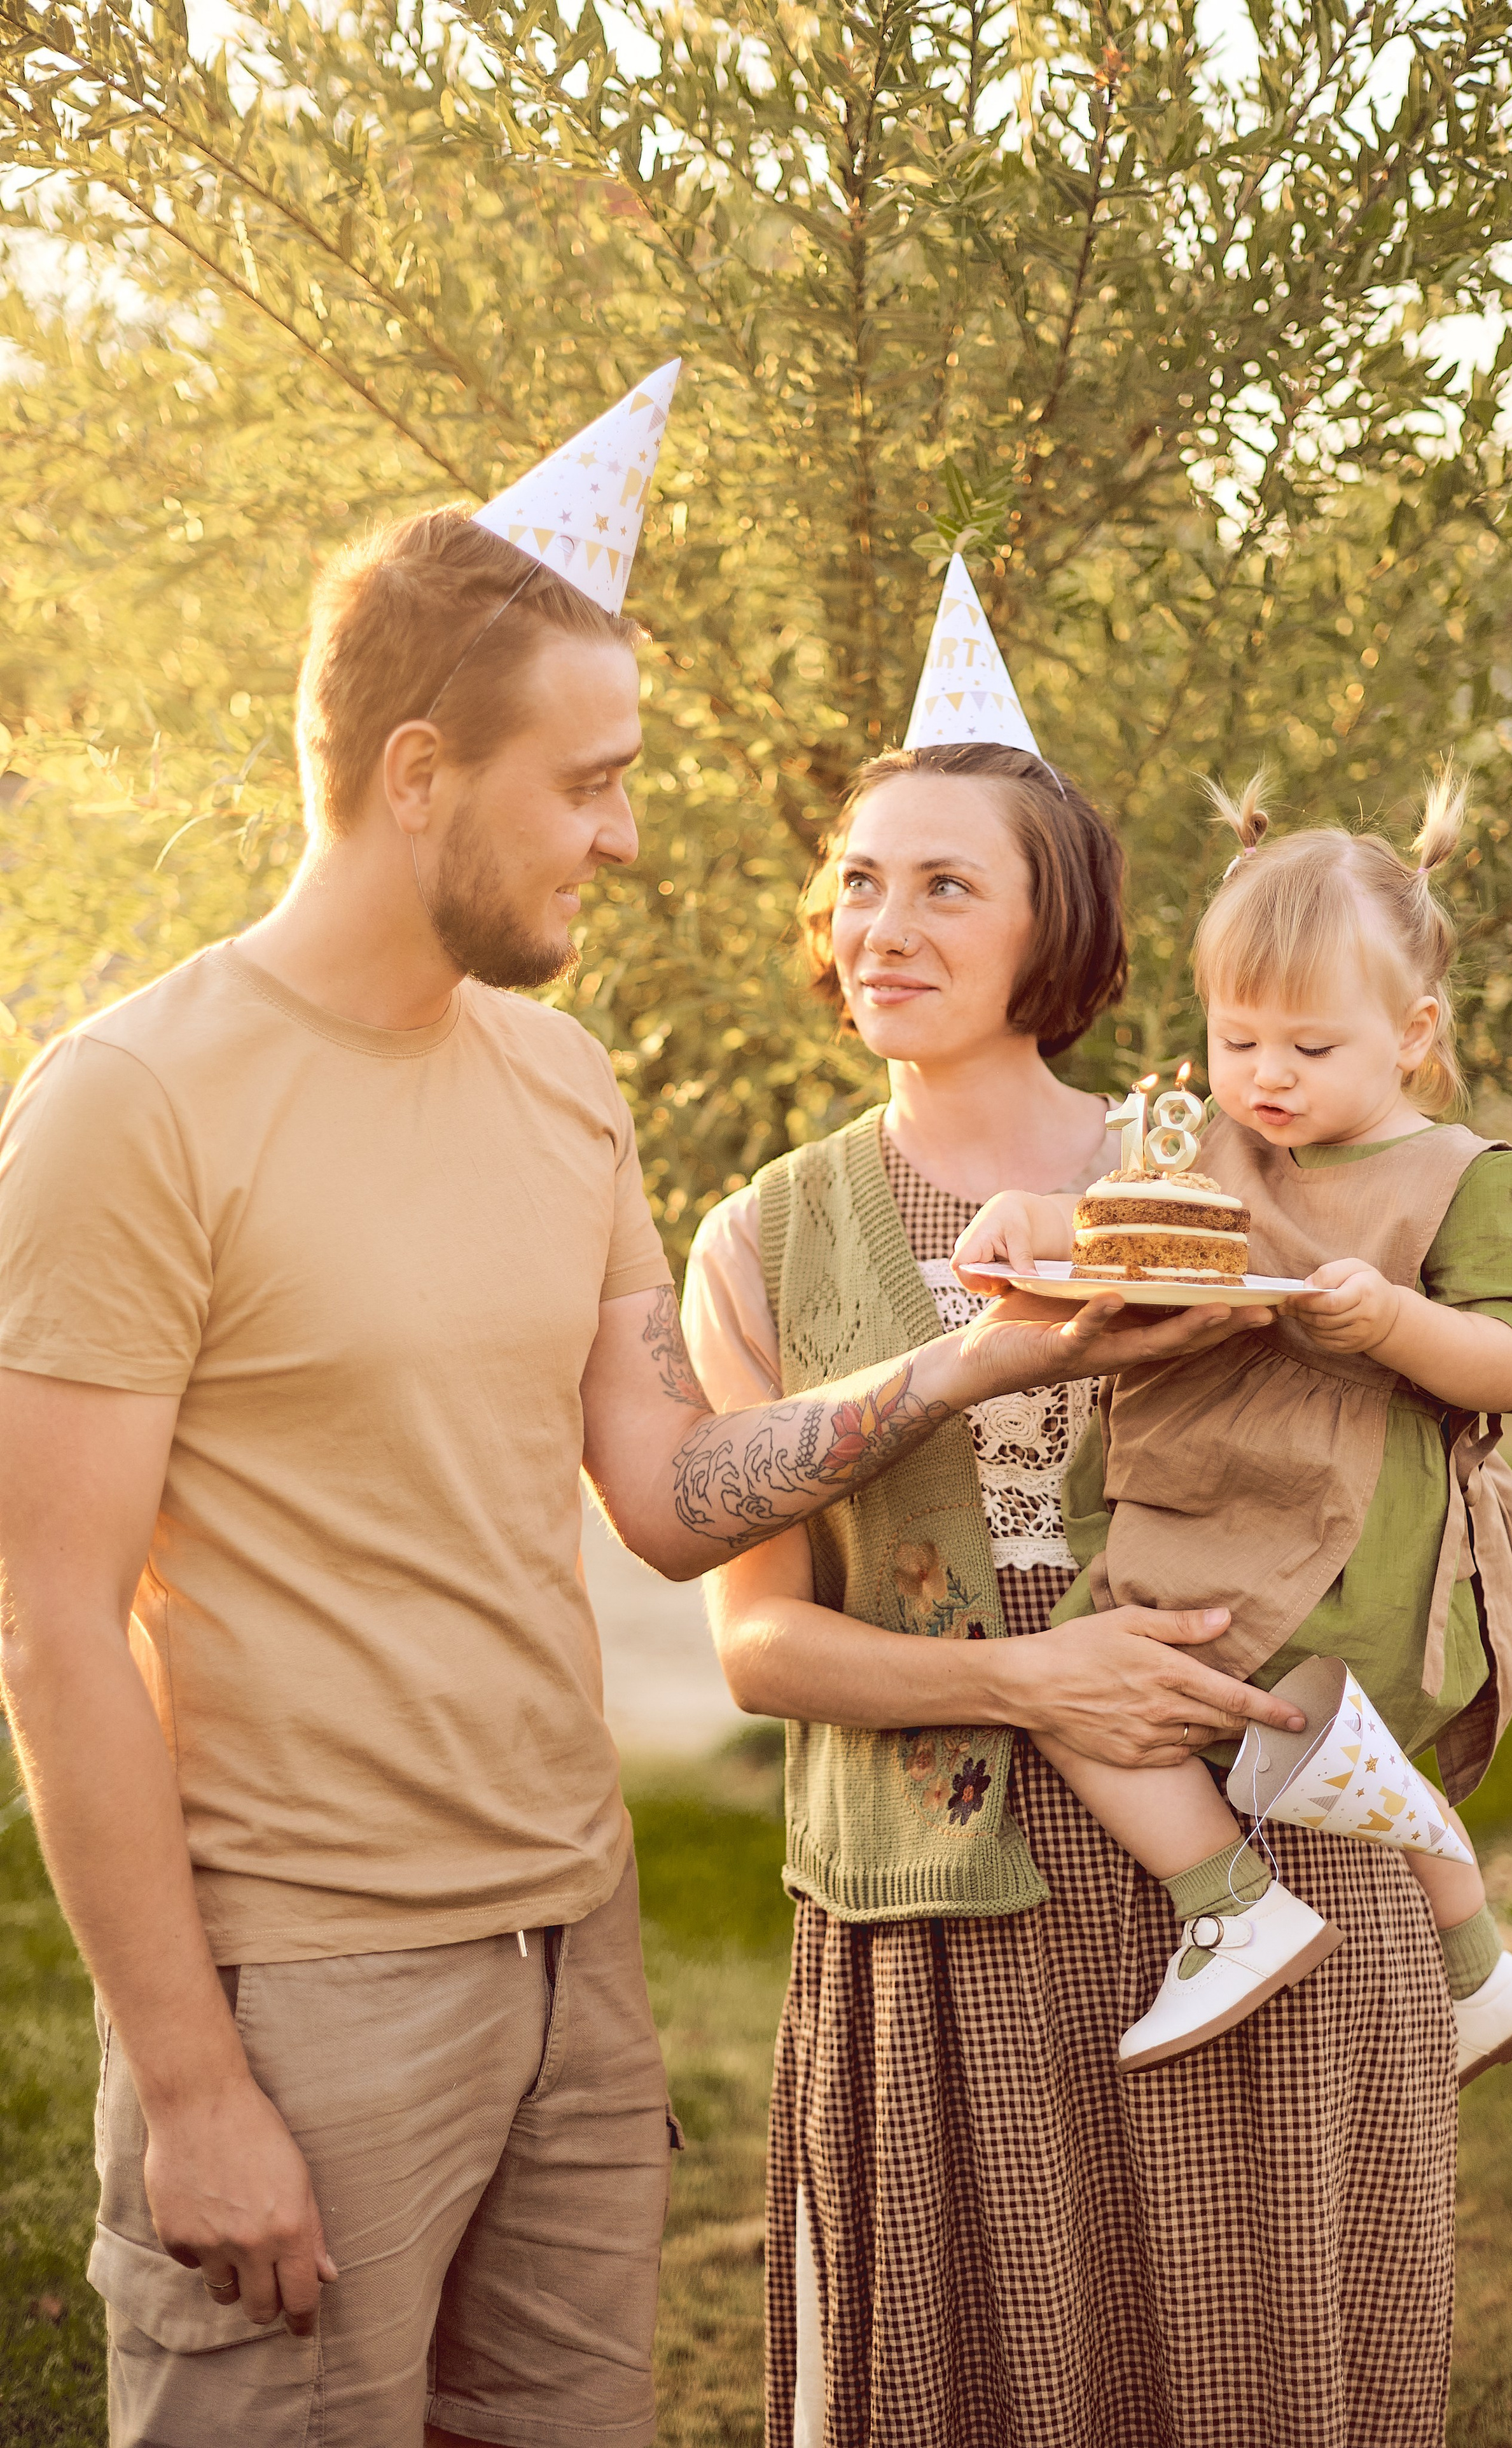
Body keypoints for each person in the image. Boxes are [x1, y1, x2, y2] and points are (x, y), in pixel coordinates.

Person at [0, 450, 1250, 2446]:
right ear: (420, 774)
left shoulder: (565, 1083)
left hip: (570, 1957)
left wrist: (962, 1369)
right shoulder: (133, 1106)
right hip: (307, 1982)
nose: (631, 836)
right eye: (587, 785)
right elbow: (54, 1627)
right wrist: (199, 2086)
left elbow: (670, 1498)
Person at [681, 559, 1458, 2448]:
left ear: (1058, 927)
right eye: (861, 880)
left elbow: (1385, 1481)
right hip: (944, 1919)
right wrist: (1038, 1684)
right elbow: (762, 1645)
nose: (887, 923)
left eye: (949, 883)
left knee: (1252, 2376)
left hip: (1260, 1868)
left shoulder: (1219, 1172)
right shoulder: (766, 1240)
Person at [960, 770, 1512, 2078]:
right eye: (1237, 1042)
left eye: (1308, 1047)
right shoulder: (1218, 1150)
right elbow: (1142, 1224)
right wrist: (1038, 1225)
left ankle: (1228, 1908)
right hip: (1209, 1483)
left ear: (1410, 1034)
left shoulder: (1456, 1176)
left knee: (1086, 1689)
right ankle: (1474, 1973)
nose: (1265, 1077)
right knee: (1328, 1741)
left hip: (1334, 1524)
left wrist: (1390, 1323)